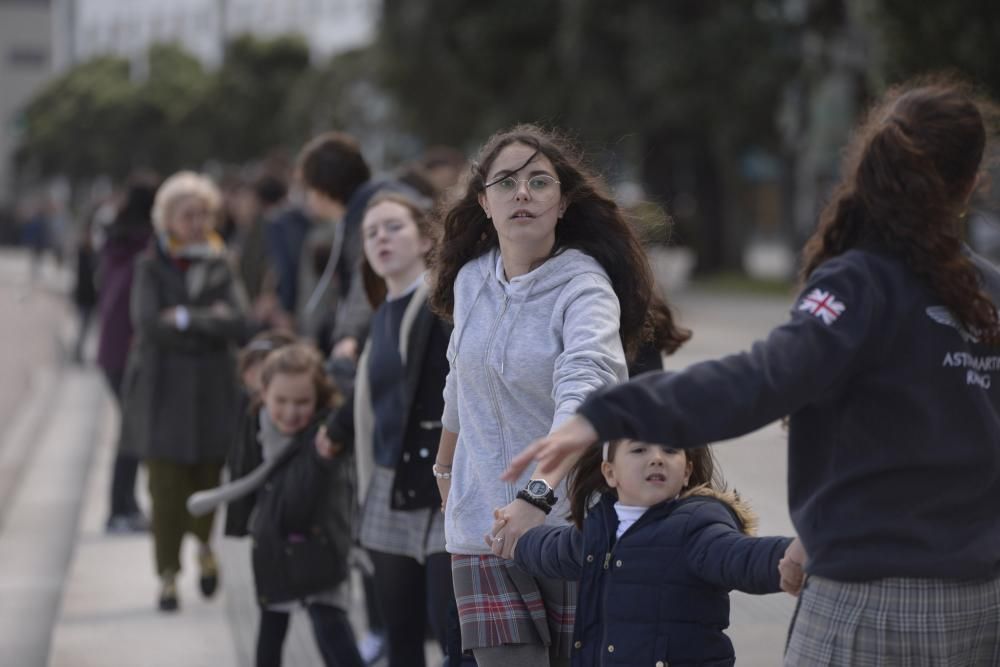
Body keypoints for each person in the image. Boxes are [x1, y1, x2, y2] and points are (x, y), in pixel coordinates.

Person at [506, 79, 1000, 665]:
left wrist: (612, 411)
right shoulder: (987, 291)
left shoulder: (861, 282)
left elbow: (759, 380)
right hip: (981, 601)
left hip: (870, 598)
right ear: (972, 183)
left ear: (870, 168)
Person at [429, 124, 688, 666]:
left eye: (538, 181)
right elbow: (459, 380)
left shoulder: (584, 287)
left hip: (564, 526)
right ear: (484, 201)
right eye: (505, 182)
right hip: (479, 531)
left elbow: (588, 398)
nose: (521, 192)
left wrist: (536, 496)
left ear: (563, 201)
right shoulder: (472, 281)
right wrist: (445, 468)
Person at [496, 440, 792, 666]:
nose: (656, 458)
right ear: (610, 473)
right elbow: (554, 550)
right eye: (639, 450)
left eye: (670, 450)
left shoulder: (696, 525)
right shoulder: (599, 529)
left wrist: (795, 556)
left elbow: (740, 557)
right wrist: (516, 543)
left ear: (687, 470)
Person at [324, 194, 458, 667]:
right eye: (371, 232)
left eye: (393, 227)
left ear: (425, 239)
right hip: (387, 482)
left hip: (445, 483)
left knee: (452, 634)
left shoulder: (445, 305)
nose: (381, 238)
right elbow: (375, 397)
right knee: (399, 631)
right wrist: (336, 429)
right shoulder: (382, 313)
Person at [120, 171, 248, 611]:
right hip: (162, 393)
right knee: (165, 490)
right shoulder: (149, 264)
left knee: (207, 482)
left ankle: (205, 548)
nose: (196, 222)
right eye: (187, 214)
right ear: (166, 219)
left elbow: (238, 321)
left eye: (203, 214)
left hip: (213, 393)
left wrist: (186, 318)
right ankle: (168, 575)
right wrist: (205, 322)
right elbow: (149, 323)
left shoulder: (220, 261)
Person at [245, 343, 363, 667]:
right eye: (280, 401)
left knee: (333, 634)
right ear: (264, 392)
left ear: (319, 398)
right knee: (270, 636)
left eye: (302, 402)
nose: (290, 411)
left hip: (319, 551)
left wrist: (321, 459)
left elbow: (300, 497)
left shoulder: (328, 436)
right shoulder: (258, 426)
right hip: (276, 548)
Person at [97, 178, 157, 533]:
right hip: (128, 352)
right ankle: (120, 509)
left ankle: (125, 505)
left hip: (112, 352)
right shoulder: (145, 248)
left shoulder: (118, 239)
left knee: (131, 430)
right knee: (132, 432)